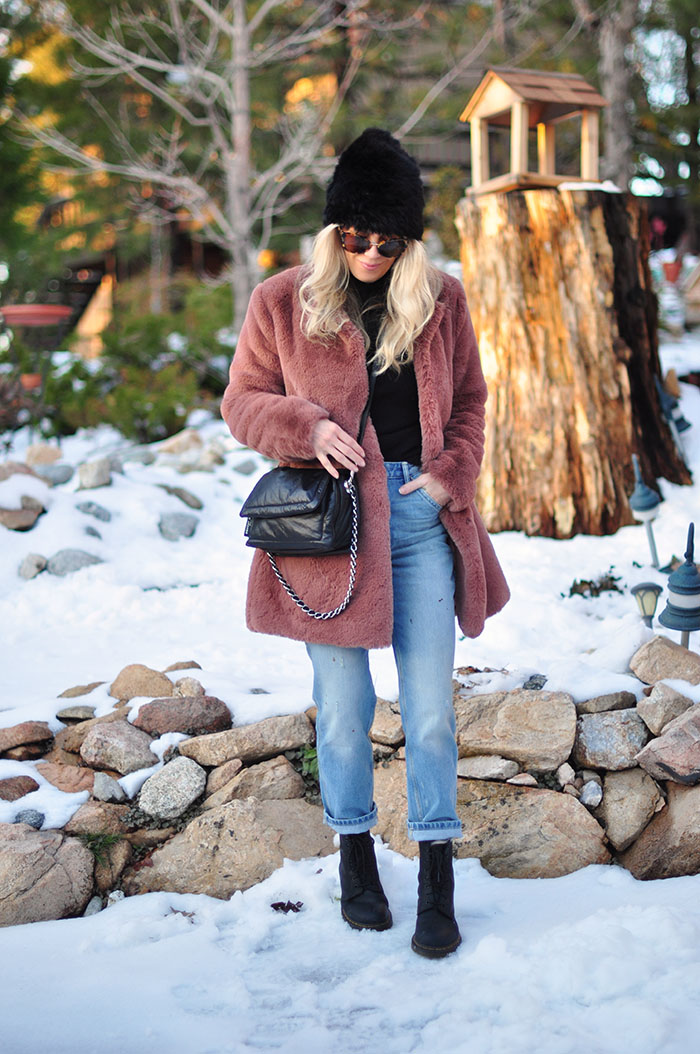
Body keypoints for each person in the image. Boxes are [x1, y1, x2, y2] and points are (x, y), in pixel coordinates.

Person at [222, 128, 509, 958]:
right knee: (344, 715)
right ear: (332, 231)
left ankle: (438, 878)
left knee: (427, 714)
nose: (373, 254)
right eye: (357, 237)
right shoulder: (282, 300)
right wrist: (304, 425)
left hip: (419, 519)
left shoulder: (441, 299)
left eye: (391, 241)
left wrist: (455, 473)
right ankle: (355, 859)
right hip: (329, 531)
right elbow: (242, 402)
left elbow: (471, 404)